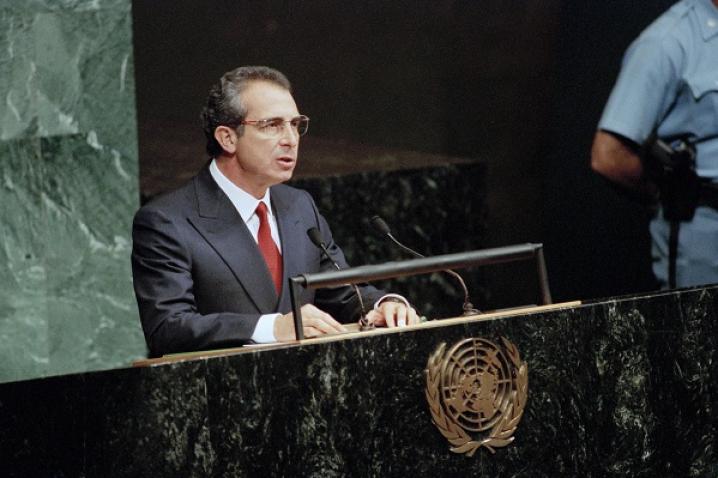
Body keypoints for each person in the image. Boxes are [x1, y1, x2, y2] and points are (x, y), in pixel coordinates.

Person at [132, 66, 418, 357]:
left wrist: (383, 305)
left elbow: (342, 292)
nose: (291, 139)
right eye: (272, 125)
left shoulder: (299, 206)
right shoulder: (167, 221)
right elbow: (168, 328)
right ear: (227, 138)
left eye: (295, 124)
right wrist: (273, 328)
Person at [591, 0, 718, 289]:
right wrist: (665, 193)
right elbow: (608, 155)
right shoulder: (668, 41)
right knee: (699, 330)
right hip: (701, 239)